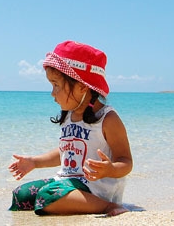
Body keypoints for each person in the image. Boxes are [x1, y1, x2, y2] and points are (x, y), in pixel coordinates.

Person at [8, 40, 133, 216]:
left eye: (56, 85)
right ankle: (63, 201)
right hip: (67, 182)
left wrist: (111, 169)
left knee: (46, 197)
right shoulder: (69, 114)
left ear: (82, 86)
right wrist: (35, 162)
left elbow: (126, 161)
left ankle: (107, 207)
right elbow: (64, 152)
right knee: (21, 195)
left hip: (95, 189)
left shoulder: (108, 119)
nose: (52, 93)